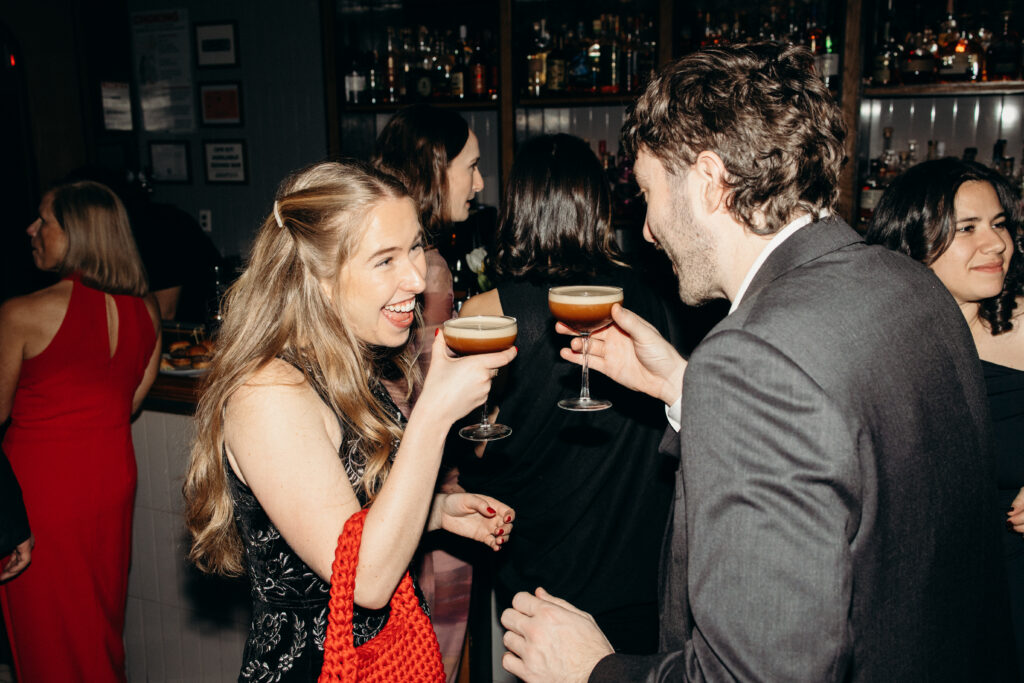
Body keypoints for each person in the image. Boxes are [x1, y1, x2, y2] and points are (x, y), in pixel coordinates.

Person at [500, 41, 1012, 682]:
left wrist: (595, 670)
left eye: (650, 194)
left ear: (710, 183)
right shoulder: (910, 284)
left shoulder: (752, 359)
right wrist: (688, 388)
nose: (649, 230)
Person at [182, 160, 516, 682]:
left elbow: (342, 515)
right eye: (385, 260)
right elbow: (365, 579)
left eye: (414, 248)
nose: (417, 276)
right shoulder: (268, 392)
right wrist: (433, 415)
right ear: (316, 276)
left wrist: (436, 512)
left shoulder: (340, 366)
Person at [456, 133, 675, 654]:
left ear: (520, 206)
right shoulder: (652, 296)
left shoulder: (488, 311)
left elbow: (476, 445)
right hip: (639, 573)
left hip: (539, 575)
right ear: (598, 204)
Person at [864, 157, 1024, 679]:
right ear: (912, 240)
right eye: (968, 229)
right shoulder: (878, 348)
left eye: (1000, 224)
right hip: (919, 604)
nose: (996, 244)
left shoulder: (1021, 323)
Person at [0, 181, 162, 682]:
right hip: (109, 481)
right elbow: (130, 402)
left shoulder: (22, 312)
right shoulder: (147, 311)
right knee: (96, 625)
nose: (31, 228)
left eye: (44, 220)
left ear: (79, 233)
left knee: (46, 637)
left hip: (39, 492)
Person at [371, 103, 486, 676]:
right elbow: (426, 397)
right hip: (426, 492)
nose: (480, 182)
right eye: (470, 167)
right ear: (436, 169)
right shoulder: (429, 269)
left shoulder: (405, 263)